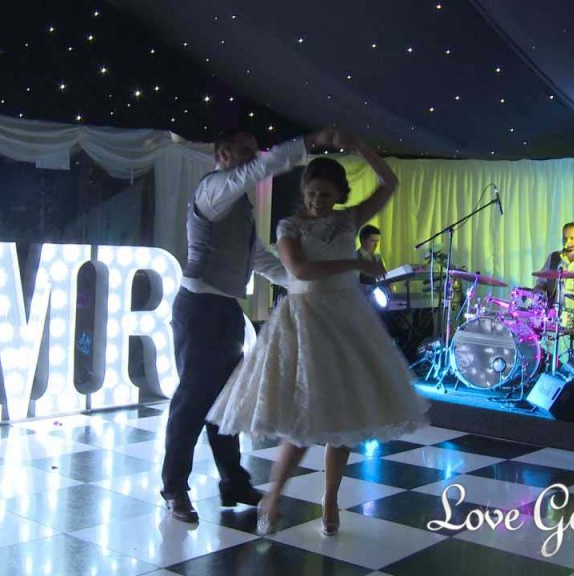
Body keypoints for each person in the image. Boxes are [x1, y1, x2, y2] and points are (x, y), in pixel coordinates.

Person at [207, 132, 428, 537]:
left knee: (341, 415)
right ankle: (274, 496)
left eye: (325, 195)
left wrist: (361, 146)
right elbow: (300, 272)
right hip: (303, 319)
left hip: (345, 318)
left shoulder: (349, 218)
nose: (316, 201)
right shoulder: (288, 225)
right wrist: (356, 265)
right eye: (311, 192)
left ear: (339, 194)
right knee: (302, 419)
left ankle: (330, 499)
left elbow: (390, 183)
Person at [160, 127, 336, 523]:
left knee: (227, 404)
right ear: (222, 155)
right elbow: (252, 175)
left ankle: (233, 482)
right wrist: (306, 145)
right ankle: (174, 488)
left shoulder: (238, 205)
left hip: (223, 310)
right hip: (199, 308)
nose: (252, 161)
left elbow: (258, 257)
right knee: (191, 404)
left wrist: (302, 281)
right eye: (244, 152)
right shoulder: (213, 190)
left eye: (254, 153)